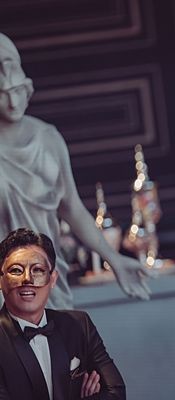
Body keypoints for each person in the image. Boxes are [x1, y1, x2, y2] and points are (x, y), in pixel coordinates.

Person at [0, 32, 152, 309]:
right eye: (3, 94)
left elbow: (72, 207)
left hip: (46, 278)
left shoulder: (48, 138)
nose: (12, 102)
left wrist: (114, 259)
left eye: (17, 91)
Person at [0, 228, 126, 399]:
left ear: (53, 279)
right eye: (16, 270)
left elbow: (116, 392)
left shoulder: (79, 324)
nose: (27, 279)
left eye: (38, 270)